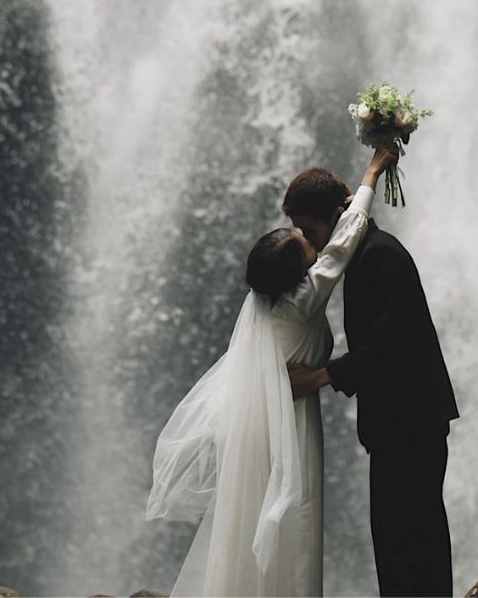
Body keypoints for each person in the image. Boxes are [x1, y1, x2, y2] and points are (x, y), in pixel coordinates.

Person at [146, 145, 398, 598]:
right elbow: (344, 240)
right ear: (299, 273)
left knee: (252, 522)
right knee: (293, 518)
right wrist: (373, 170)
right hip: (287, 426)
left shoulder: (266, 305)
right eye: (306, 244)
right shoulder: (301, 302)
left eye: (306, 233)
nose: (314, 244)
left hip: (262, 422)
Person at [285, 167, 459, 598]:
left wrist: (321, 377)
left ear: (338, 215)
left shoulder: (380, 255)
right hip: (401, 425)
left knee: (410, 544)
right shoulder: (367, 255)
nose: (312, 244)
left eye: (311, 230)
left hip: (411, 423)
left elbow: (391, 343)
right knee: (402, 541)